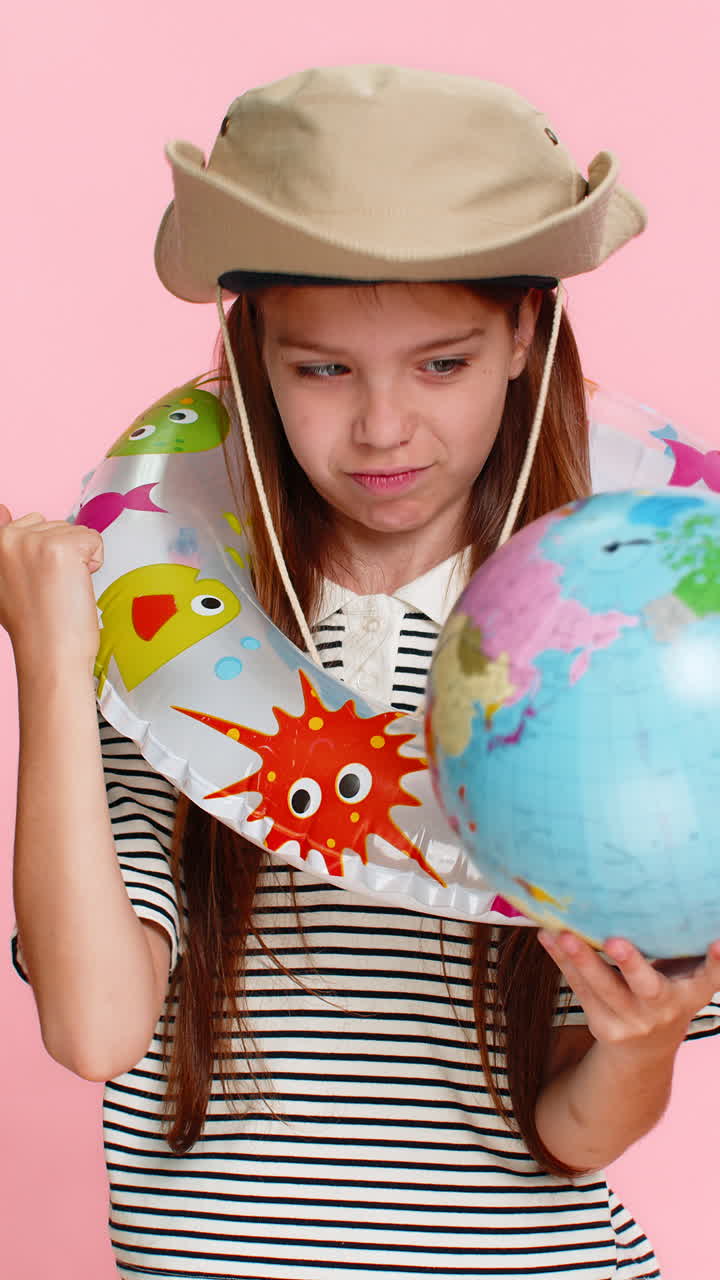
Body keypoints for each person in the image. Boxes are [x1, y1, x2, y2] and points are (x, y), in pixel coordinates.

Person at [3, 65, 720, 1280]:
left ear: (524, 334)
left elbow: (570, 1129)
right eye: (323, 368)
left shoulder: (598, 654)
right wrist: (54, 662)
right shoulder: (170, 630)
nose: (384, 427)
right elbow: (93, 1027)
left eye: (441, 363)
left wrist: (643, 1038)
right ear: (251, 354)